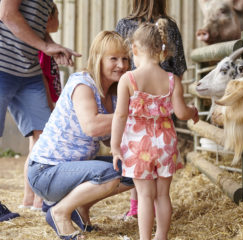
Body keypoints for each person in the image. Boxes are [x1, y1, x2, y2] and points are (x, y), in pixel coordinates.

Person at [27, 31, 134, 239]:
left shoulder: (112, 94)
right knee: (111, 175)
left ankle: (80, 210)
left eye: (125, 59)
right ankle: (59, 212)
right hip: (45, 171)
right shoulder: (83, 84)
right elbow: (92, 127)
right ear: (97, 59)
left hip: (71, 169)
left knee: (134, 169)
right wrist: (129, 114)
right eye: (113, 59)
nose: (121, 65)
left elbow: (106, 138)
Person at [111, 19, 199, 240]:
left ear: (134, 49)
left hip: (138, 144)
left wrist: (114, 146)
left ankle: (145, 239)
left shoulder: (128, 79)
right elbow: (181, 113)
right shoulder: (172, 80)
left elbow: (120, 115)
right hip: (165, 143)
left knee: (144, 195)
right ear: (162, 50)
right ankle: (161, 236)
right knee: (162, 195)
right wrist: (193, 112)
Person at [0, 0, 81, 213]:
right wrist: (45, 46)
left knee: (46, 137)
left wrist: (50, 44)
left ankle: (39, 198)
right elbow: (7, 14)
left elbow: (35, 28)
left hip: (30, 72)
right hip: (2, 64)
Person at [39, 2, 62, 111]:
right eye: (57, 16)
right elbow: (42, 77)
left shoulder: (48, 46)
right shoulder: (44, 50)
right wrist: (50, 106)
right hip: (46, 103)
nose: (59, 21)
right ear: (49, 18)